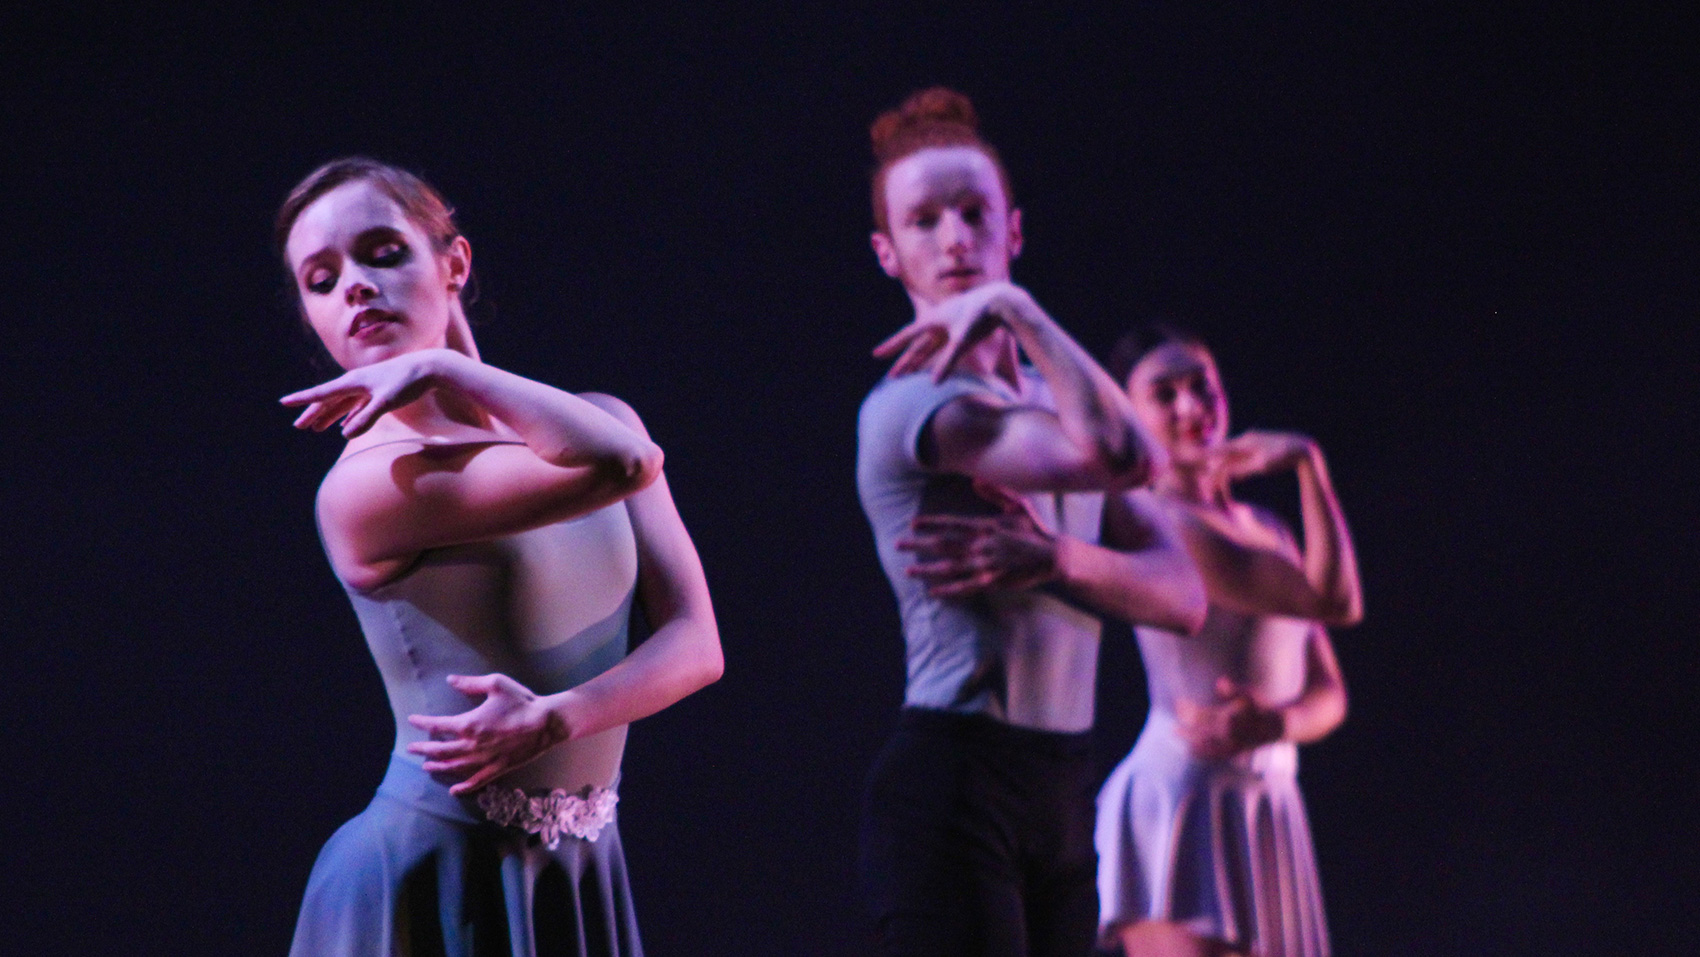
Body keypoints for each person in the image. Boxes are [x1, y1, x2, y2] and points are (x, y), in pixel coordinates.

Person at [274, 157, 722, 957]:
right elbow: (623, 465)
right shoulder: (372, 486)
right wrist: (445, 363)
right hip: (431, 876)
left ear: (454, 263)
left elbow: (699, 645)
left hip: (576, 873)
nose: (354, 288)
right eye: (321, 278)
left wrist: (559, 718)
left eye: (382, 252)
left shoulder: (600, 418)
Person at [855, 88, 1209, 957]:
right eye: (924, 220)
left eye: (974, 214)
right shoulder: (917, 408)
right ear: (888, 253)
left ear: (1014, 230)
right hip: (955, 780)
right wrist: (1018, 309)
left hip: (1063, 785)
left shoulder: (1055, 402)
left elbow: (1185, 594)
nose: (953, 239)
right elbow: (1127, 456)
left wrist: (1056, 557)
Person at [1093, 327, 1362, 957]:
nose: (1191, 407)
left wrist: (1276, 723)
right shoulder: (1162, 523)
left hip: (1268, 803)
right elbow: (1338, 601)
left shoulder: (1265, 526)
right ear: (1132, 416)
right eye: (1165, 394)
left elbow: (1330, 692)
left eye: (1201, 387)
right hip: (1182, 803)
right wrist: (1306, 462)